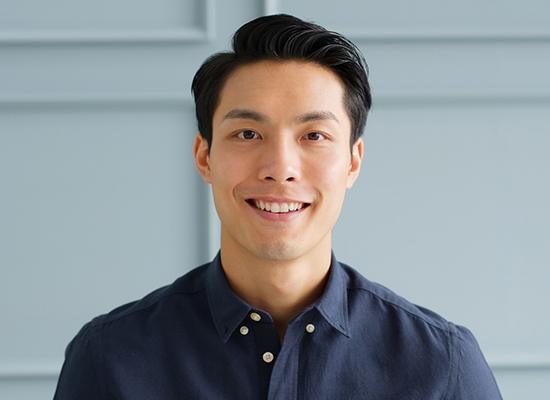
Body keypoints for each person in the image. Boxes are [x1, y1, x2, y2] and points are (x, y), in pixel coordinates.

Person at [53, 14, 502, 399]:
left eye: (314, 136)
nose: (280, 168)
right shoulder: (110, 357)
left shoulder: (444, 365)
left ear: (353, 161)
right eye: (248, 134)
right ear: (204, 156)